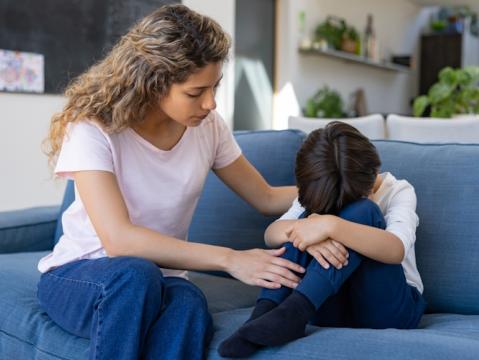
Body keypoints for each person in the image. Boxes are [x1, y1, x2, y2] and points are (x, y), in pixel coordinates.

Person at [36, 5, 306, 360]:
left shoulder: (209, 128)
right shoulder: (93, 128)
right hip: (80, 277)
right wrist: (230, 259)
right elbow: (118, 240)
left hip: (159, 280)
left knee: (188, 302)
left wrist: (350, 188)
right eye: (195, 93)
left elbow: (267, 197)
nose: (210, 103)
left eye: (215, 87)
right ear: (152, 82)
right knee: (136, 276)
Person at [219, 122, 427, 358]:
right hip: (329, 304)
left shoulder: (398, 190)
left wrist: (329, 225)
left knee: (364, 212)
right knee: (302, 221)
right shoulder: (320, 187)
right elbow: (272, 233)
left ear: (371, 177)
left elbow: (396, 249)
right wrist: (309, 226)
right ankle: (265, 314)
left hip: (388, 310)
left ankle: (297, 310)